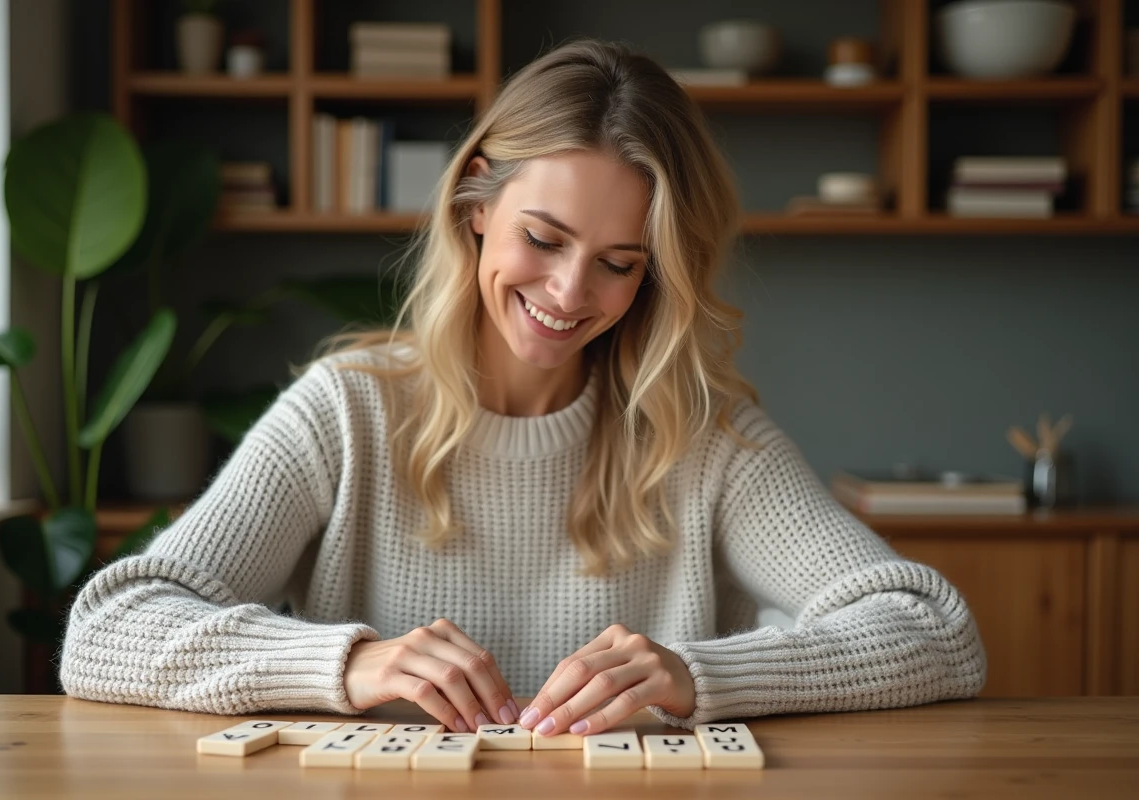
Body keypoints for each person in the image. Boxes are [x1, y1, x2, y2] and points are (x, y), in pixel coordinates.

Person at [59, 39, 987, 738]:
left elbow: (934, 629)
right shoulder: (348, 411)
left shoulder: (704, 440)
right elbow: (107, 629)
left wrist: (699, 676)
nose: (569, 295)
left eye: (620, 263)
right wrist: (351, 662)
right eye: (543, 240)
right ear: (474, 206)